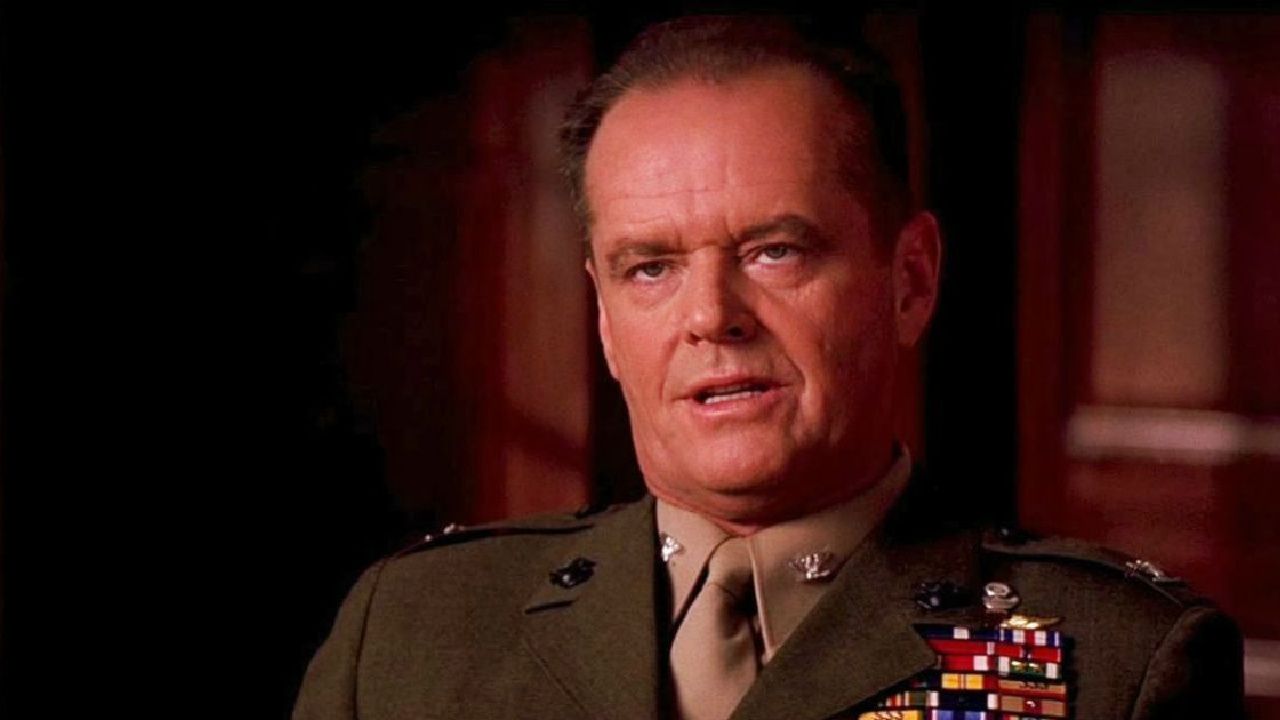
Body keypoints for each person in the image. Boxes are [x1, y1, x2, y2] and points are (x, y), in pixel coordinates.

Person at [293, 15, 1244, 720]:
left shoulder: (1115, 664)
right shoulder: (412, 633)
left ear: (910, 281)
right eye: (651, 268)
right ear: (605, 320)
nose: (712, 317)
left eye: (774, 252)